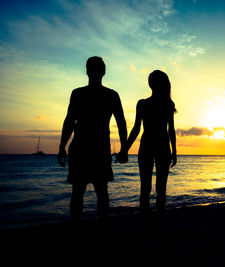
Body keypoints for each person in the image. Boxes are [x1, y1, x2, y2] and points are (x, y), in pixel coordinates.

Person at [57, 56, 127, 232]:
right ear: (103, 72)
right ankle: (100, 229)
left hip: (86, 148)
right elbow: (121, 124)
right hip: (94, 149)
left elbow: (69, 122)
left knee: (80, 192)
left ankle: (78, 229)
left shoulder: (80, 93)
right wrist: (124, 149)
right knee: (99, 192)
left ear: (87, 71)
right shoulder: (109, 95)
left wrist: (61, 147)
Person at [118, 70, 177, 214]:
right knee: (159, 188)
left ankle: (146, 218)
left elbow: (137, 129)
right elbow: (170, 131)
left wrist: (125, 149)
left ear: (150, 84)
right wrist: (174, 151)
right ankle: (157, 218)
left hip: (149, 147)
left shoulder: (146, 104)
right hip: (160, 147)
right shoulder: (165, 104)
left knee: (147, 187)